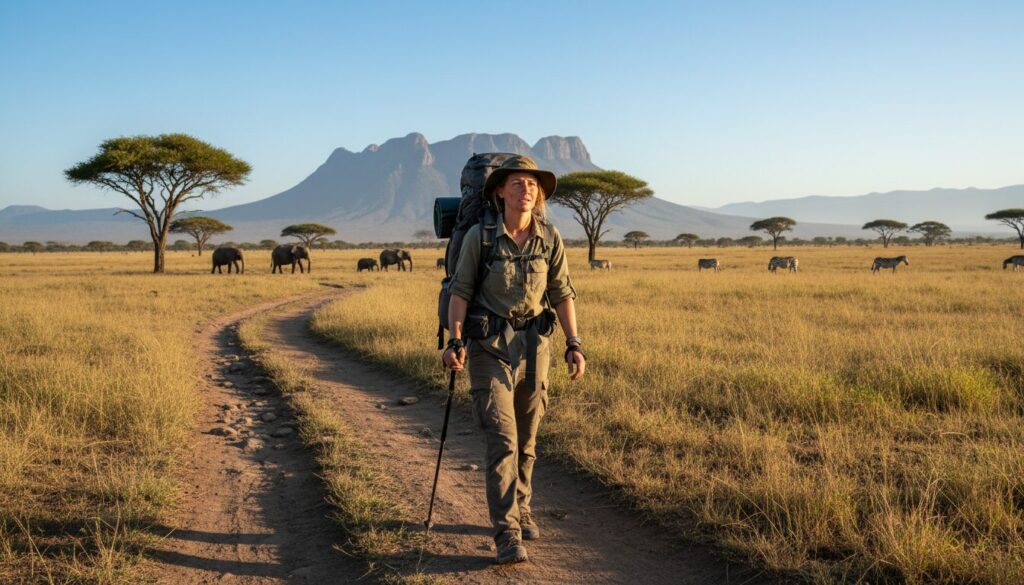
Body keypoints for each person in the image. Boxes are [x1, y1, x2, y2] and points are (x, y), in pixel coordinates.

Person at [442, 155, 586, 564]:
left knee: (527, 439)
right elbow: (460, 292)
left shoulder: (549, 238)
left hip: (535, 350)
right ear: (500, 191)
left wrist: (574, 343)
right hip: (490, 349)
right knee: (503, 439)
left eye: (533, 185)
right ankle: (506, 532)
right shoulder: (481, 238)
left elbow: (561, 294)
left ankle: (522, 507)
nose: (528, 190)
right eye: (518, 183)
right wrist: (455, 340)